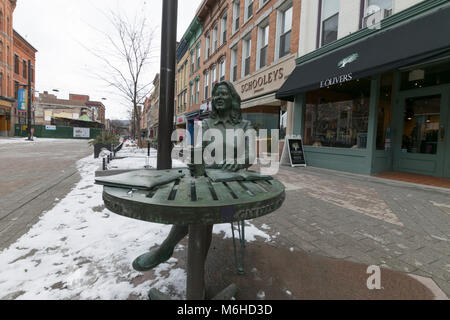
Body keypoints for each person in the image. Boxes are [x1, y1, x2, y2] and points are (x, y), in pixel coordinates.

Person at [132, 81, 254, 271]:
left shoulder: (245, 125)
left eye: (223, 94)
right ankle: (195, 277)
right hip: (207, 180)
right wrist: (194, 159)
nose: (219, 98)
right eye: (216, 95)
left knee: (205, 215)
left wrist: (239, 162)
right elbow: (198, 150)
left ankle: (169, 251)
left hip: (233, 193)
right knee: (196, 208)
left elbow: (251, 154)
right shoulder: (205, 124)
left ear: (233, 99)